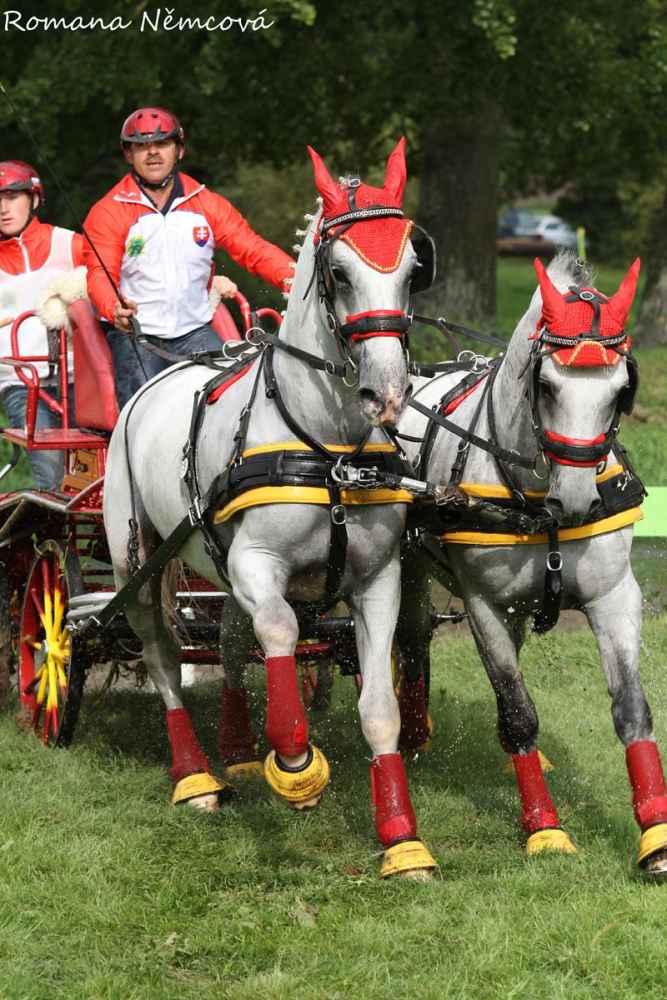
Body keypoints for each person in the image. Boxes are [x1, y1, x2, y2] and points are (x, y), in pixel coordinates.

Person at [83, 107, 295, 409]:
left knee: (239, 401)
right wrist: (113, 307)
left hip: (194, 332)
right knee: (143, 416)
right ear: (129, 155)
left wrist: (295, 276)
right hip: (138, 335)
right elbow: (98, 272)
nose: (152, 153)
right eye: (141, 146)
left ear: (179, 150)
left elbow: (252, 248)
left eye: (162, 144)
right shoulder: (108, 211)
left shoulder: (207, 203)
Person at [0, 161, 86, 490]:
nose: (4, 209)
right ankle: (52, 542)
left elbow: (113, 287)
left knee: (95, 470)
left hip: (81, 376)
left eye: (13, 197)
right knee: (51, 473)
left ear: (34, 199)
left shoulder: (70, 244)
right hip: (21, 382)